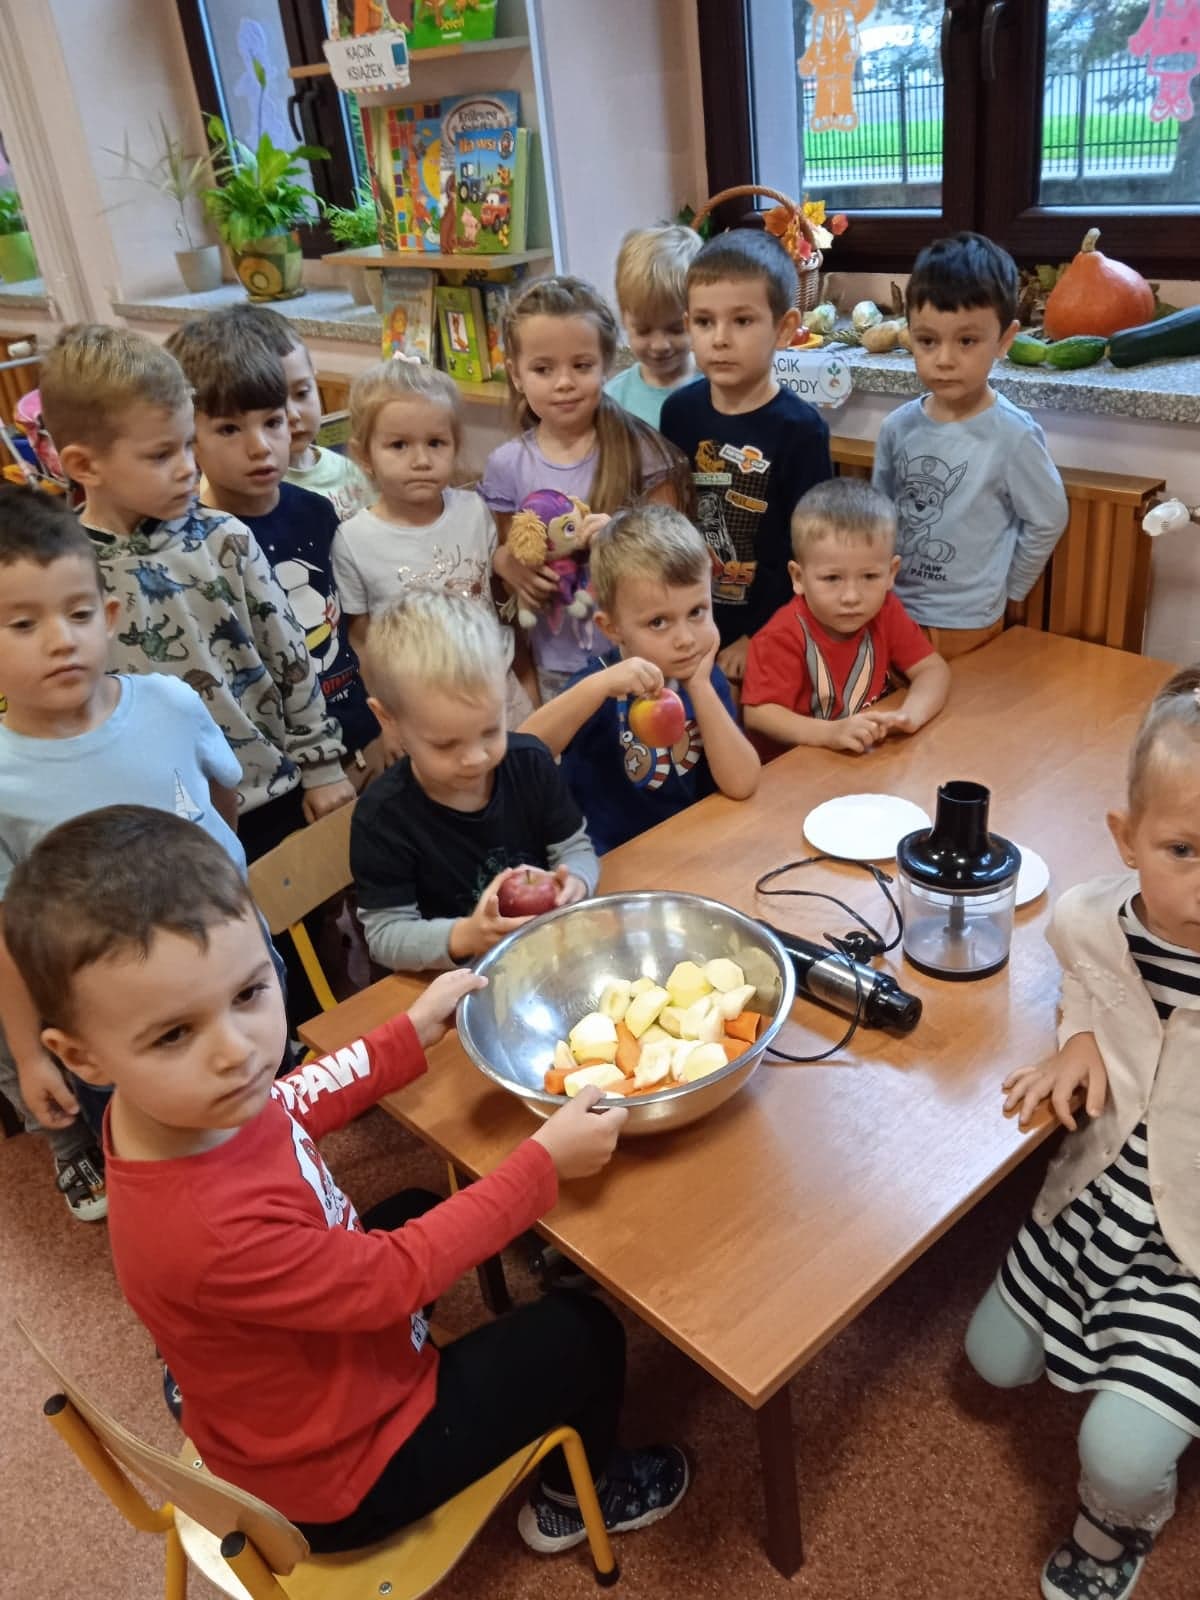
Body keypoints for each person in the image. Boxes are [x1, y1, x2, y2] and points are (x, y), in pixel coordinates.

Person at [3, 804, 689, 1555]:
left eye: (249, 994)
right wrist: (542, 1165)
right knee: (582, 1335)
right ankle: (576, 1499)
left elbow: (295, 1099)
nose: (238, 1052)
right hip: (346, 1476)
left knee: (417, 1204)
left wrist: (409, 1032)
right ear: (83, 1057)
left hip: (291, 1388)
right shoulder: (205, 1230)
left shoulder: (169, 1109)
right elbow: (393, 1277)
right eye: (174, 1034)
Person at [965, 664, 1200, 1600]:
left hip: (1192, 1257)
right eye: (1184, 849)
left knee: (1119, 1453)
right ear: (1126, 839)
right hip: (1097, 1200)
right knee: (993, 1363)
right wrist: (1080, 1037)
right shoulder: (1091, 918)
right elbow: (1085, 975)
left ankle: (1122, 1525)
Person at [0, 485, 246, 1220]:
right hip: (116, 1019)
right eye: (23, 623)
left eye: (78, 614)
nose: (61, 640)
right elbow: (8, 934)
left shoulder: (171, 702)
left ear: (109, 616)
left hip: (230, 962)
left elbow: (221, 802)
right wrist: (30, 1054)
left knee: (259, 1105)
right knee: (165, 1161)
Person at [38, 324, 355, 868]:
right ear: (85, 465)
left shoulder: (226, 538)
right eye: (162, 454)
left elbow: (291, 659)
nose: (188, 467)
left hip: (271, 797)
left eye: (188, 444)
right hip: (150, 829)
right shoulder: (61, 571)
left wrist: (322, 765)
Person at [164, 312, 381, 789]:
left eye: (273, 421)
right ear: (187, 437)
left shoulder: (317, 511)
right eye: (229, 429)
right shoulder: (194, 545)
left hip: (360, 729)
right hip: (278, 767)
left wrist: (383, 720)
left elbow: (354, 625)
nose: (260, 447)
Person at [351, 590, 599, 972]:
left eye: (490, 730)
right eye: (445, 744)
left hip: (545, 959)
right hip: (451, 980)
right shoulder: (381, 819)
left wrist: (576, 881)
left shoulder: (530, 764)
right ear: (389, 720)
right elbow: (386, 936)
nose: (476, 758)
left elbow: (575, 848)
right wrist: (467, 935)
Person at [480, 274, 688, 703]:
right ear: (516, 374)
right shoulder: (506, 465)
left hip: (639, 662)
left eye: (581, 365)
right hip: (555, 667)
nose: (564, 382)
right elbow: (503, 556)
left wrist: (621, 539)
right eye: (543, 369)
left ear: (606, 364)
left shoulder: (643, 452)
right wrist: (504, 563)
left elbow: (677, 561)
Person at [872, 232, 1068, 661]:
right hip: (891, 612)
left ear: (1004, 340)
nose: (944, 359)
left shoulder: (1013, 435)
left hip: (968, 623)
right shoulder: (896, 428)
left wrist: (1012, 588)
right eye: (928, 341)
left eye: (966, 341)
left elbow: (1048, 517)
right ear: (909, 336)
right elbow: (880, 516)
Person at [520, 504, 759, 855]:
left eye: (697, 612)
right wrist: (597, 687)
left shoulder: (704, 679)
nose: (685, 639)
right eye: (658, 622)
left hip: (693, 847)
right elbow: (521, 756)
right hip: (612, 858)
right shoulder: (600, 685)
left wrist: (701, 688)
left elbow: (743, 783)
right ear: (612, 628)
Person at [659, 229, 832, 689]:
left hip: (770, 631)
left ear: (784, 328)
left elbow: (808, 550)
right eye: (704, 321)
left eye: (741, 320)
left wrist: (759, 634)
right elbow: (671, 522)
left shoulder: (802, 430)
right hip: (688, 625)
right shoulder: (678, 413)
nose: (720, 339)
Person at [332, 358, 529, 723]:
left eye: (436, 442)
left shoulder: (474, 510)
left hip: (496, 690)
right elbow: (362, 642)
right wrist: (385, 721)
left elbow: (502, 604)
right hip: (419, 708)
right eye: (399, 445)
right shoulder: (353, 540)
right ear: (364, 455)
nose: (421, 460)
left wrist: (526, 683)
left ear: (455, 445)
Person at [741, 478, 950, 758]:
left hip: (859, 761)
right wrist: (830, 733)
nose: (851, 596)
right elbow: (759, 714)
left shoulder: (886, 610)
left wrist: (911, 714)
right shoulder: (781, 636)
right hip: (796, 769)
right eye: (832, 578)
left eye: (870, 576)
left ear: (891, 573)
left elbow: (932, 670)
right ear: (798, 577)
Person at [222, 302, 375, 521]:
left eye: (302, 393)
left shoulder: (346, 468)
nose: (292, 415)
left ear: (314, 378)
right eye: (273, 404)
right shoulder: (256, 490)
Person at [604, 223, 702, 428]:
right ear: (624, 317)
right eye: (643, 330)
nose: (659, 346)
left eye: (676, 329)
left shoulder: (720, 387)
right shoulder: (613, 400)